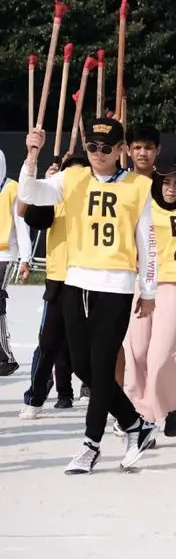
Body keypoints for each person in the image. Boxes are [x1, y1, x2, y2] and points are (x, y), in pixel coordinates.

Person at [19, 119, 159, 474]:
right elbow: (30, 195)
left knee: (100, 366)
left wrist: (148, 290)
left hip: (116, 284)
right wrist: (31, 157)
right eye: (92, 147)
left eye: (106, 147)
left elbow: (148, 242)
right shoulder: (73, 178)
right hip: (76, 280)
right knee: (82, 365)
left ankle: (90, 444)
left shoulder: (138, 186)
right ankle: (136, 424)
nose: (98, 154)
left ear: (120, 149)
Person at [123, 158, 176, 438]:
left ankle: (160, 410)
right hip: (141, 283)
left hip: (175, 286)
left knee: (161, 356)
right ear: (157, 182)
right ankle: (137, 412)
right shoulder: (144, 209)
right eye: (166, 182)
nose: (171, 188)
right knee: (136, 353)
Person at [18, 156, 87, 417]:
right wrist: (44, 182)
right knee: (48, 344)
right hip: (58, 279)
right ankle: (35, 398)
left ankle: (92, 390)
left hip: (89, 278)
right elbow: (33, 218)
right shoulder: (53, 199)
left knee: (91, 343)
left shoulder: (94, 203)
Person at [0, 149, 33, 376]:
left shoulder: (12, 189)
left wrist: (25, 257)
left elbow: (22, 226)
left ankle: (5, 355)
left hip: (5, 254)